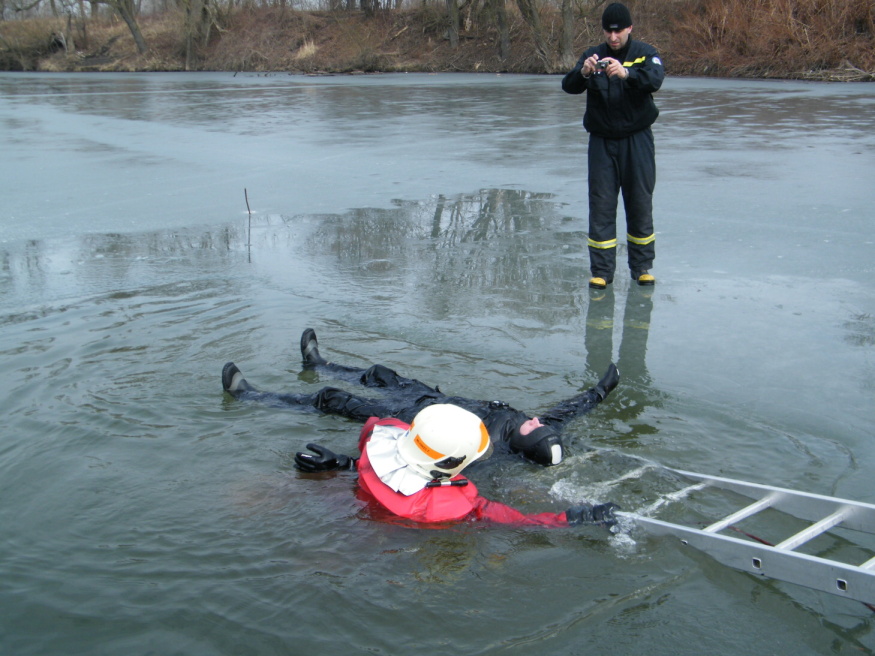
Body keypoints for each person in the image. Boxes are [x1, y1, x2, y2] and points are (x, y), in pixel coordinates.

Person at [222, 328, 620, 469]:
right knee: (379, 373)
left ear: (524, 443)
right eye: (541, 423)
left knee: (331, 400)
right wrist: (601, 390)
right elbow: (570, 410)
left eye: (536, 428)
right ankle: (320, 362)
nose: (538, 420)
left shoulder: (488, 452)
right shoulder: (539, 427)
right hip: (430, 397)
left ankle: (252, 397)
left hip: (405, 417)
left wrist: (347, 464)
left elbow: (429, 470)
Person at [289, 402, 619, 527]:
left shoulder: (381, 442)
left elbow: (377, 469)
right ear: (452, 462)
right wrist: (577, 517)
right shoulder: (449, 505)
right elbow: (519, 520)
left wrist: (345, 464)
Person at [561, 2, 665, 290]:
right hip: (602, 142)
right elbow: (568, 85)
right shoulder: (593, 55)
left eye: (618, 31)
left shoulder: (645, 53)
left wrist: (626, 74)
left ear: (629, 28)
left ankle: (642, 267)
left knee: (640, 202)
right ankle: (602, 271)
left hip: (637, 140)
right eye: (608, 31)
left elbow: (655, 79)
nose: (613, 36)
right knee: (601, 204)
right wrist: (583, 72)